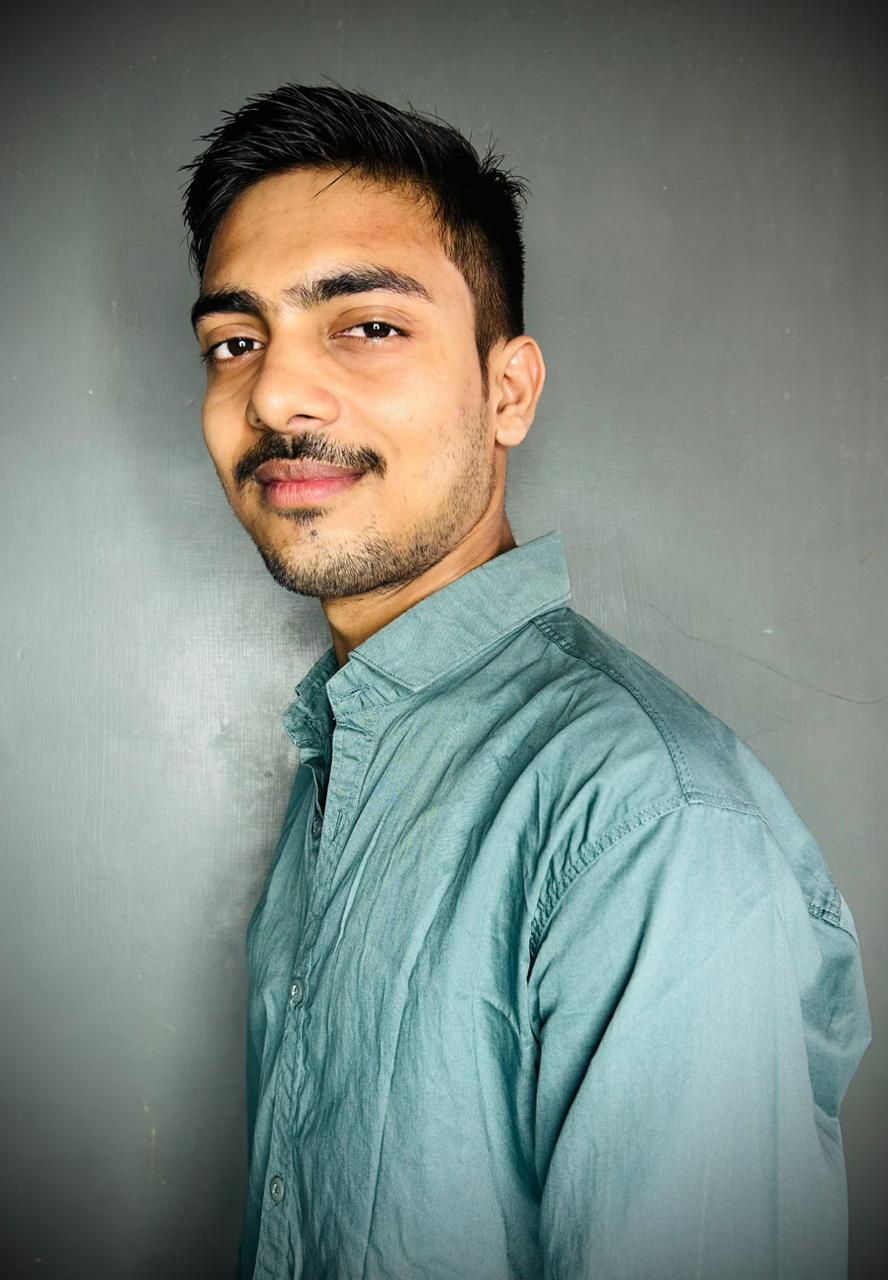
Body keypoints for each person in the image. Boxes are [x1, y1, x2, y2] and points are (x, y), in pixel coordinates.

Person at [180, 83, 871, 1280]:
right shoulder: (344, 752)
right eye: (236, 342)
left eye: (367, 325)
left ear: (509, 391)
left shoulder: (650, 823)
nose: (276, 393)